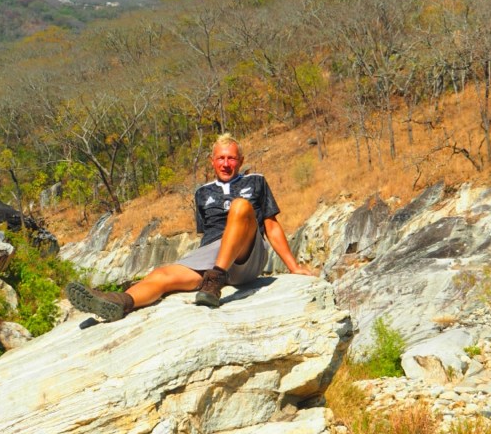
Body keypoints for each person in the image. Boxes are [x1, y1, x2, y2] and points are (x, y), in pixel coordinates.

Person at [65, 133, 314, 321]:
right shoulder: (202, 192)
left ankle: (214, 281)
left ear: (241, 160)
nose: (226, 163)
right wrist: (194, 267)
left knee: (240, 207)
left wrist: (293, 267)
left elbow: (271, 225)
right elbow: (208, 236)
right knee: (162, 275)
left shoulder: (256, 181)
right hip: (215, 256)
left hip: (247, 255)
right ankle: (118, 302)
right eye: (220, 158)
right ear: (212, 161)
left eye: (231, 158)